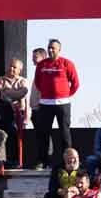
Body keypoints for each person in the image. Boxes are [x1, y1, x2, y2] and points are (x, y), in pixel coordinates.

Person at [34, 39, 80, 169]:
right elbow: (38, 83)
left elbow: (75, 83)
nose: (50, 50)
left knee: (64, 133)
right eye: (49, 48)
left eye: (53, 48)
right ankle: (43, 161)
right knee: (44, 133)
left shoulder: (67, 63)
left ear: (59, 49)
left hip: (63, 104)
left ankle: (68, 161)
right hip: (45, 103)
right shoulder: (41, 65)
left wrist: (65, 95)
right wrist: (46, 93)